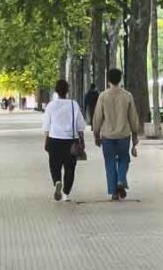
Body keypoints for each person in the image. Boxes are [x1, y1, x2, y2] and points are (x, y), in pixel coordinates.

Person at [91, 67, 139, 201]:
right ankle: (121, 180)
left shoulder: (103, 96)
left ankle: (113, 191)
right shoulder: (127, 96)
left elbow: (98, 117)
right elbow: (133, 117)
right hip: (124, 134)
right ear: (120, 79)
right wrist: (135, 133)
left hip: (107, 135)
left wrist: (96, 133)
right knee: (124, 159)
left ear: (108, 80)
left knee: (110, 162)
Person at [42, 79, 85, 202]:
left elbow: (46, 126)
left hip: (54, 139)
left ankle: (57, 181)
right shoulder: (73, 104)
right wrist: (81, 140)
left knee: (54, 165)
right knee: (70, 167)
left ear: (56, 91)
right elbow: (80, 124)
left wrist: (46, 141)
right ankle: (66, 193)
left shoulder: (51, 106)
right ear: (67, 91)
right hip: (71, 140)